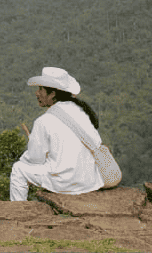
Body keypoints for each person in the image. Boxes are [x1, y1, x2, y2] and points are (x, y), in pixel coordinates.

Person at [10, 67, 104, 201]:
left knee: (18, 169)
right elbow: (96, 143)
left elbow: (34, 159)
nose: (37, 93)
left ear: (52, 93)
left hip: (64, 183)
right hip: (89, 181)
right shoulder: (82, 111)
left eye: (40, 89)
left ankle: (18, 213)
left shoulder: (43, 121)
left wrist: (32, 147)